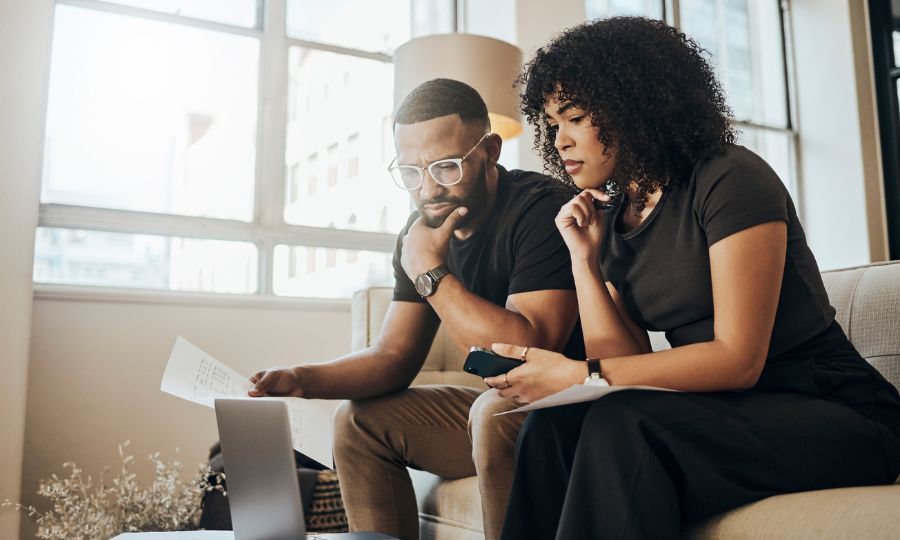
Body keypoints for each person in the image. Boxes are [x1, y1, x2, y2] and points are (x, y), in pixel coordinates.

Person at [484, 17, 900, 540]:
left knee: (623, 425)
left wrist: (578, 374)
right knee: (551, 430)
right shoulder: (613, 219)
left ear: (633, 104)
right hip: (727, 413)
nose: (559, 139)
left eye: (576, 117)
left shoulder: (730, 176)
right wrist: (583, 261)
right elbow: (629, 365)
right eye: (550, 123)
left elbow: (738, 359)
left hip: (834, 409)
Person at [248, 78, 585, 540]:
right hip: (506, 412)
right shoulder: (419, 232)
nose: (427, 189)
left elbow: (524, 352)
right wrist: (301, 378)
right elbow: (392, 358)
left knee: (493, 411)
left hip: (575, 410)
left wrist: (430, 271)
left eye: (446, 167)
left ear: (489, 150)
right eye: (410, 172)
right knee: (358, 421)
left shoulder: (541, 209)